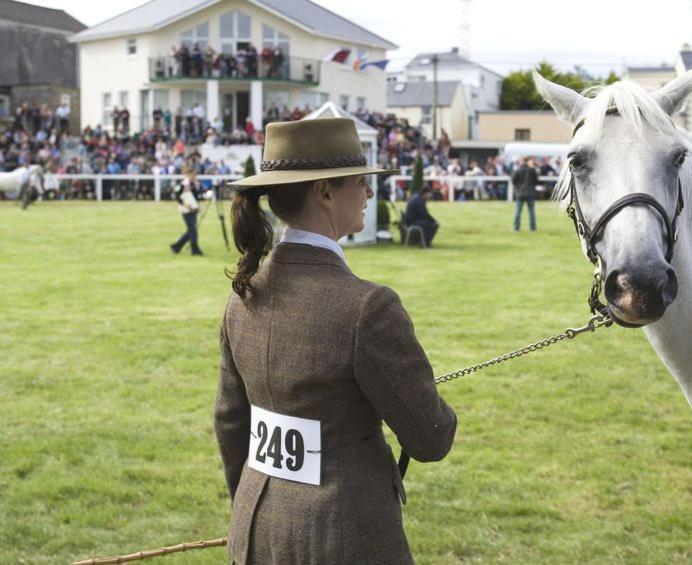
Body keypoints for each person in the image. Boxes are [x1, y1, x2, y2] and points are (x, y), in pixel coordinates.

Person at [215, 118, 456, 564]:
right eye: (362, 182)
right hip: (343, 539)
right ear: (325, 191)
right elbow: (430, 438)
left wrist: (249, 507)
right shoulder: (368, 307)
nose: (368, 192)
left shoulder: (242, 296)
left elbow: (231, 425)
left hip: (254, 531)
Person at [170, 170, 203, 255]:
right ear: (188, 174)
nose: (194, 176)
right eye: (192, 174)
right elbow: (177, 196)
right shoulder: (183, 184)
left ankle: (176, 246)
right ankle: (194, 250)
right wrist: (185, 205)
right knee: (192, 231)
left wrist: (198, 206)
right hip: (186, 210)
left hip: (193, 209)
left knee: (192, 230)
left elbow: (196, 197)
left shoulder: (194, 184)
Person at [512, 157, 538, 231]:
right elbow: (536, 181)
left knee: (518, 212)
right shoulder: (532, 170)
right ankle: (533, 228)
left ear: (522, 161)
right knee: (531, 212)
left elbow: (513, 181)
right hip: (530, 193)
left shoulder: (517, 170)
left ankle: (516, 228)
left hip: (520, 193)